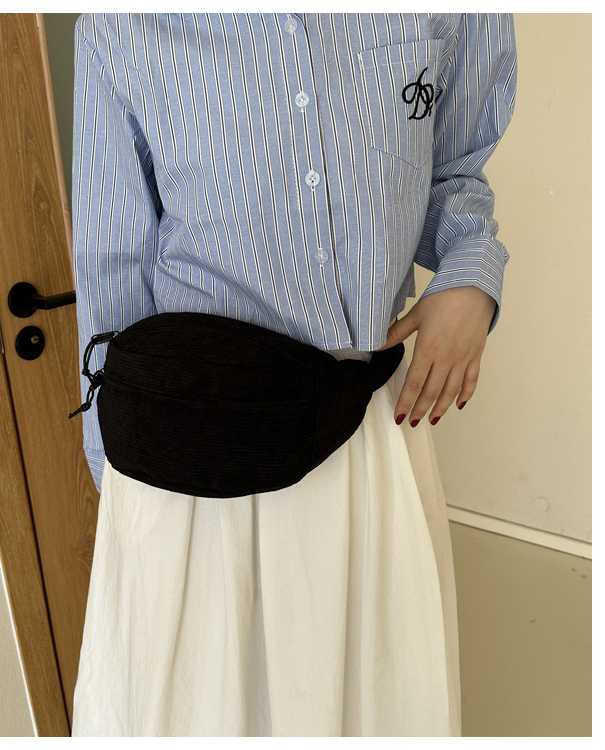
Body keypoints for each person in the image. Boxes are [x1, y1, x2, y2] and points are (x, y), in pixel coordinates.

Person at [70, 13, 517, 737]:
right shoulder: (120, 26)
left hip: (367, 433)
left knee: (374, 700)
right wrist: (120, 477)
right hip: (196, 455)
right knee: (208, 709)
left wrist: (472, 270)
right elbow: (113, 261)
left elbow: (452, 168)